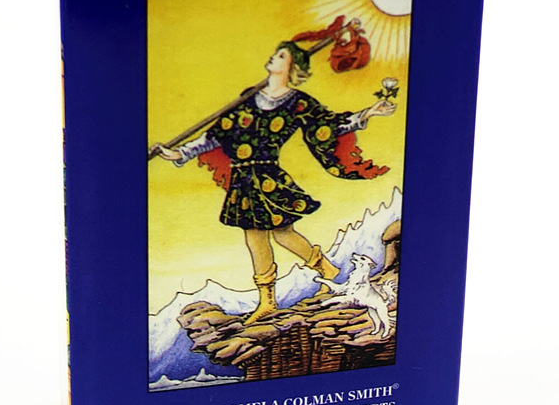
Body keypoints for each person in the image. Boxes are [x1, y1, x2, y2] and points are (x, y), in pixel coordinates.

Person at [157, 41, 394, 323]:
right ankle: (292, 289)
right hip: (243, 178)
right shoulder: (249, 98)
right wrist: (180, 153)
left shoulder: (298, 103)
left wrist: (366, 114)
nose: (273, 57)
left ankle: (308, 280)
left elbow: (328, 125)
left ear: (292, 67)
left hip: (267, 176)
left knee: (279, 233)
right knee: (259, 236)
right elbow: (217, 135)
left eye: (281, 55)